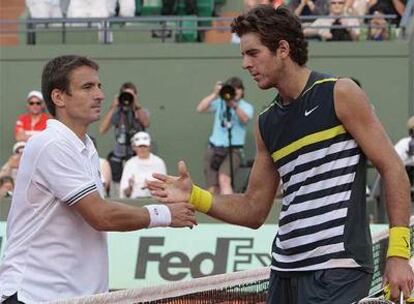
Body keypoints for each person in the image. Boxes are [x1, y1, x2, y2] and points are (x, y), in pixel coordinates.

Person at [147, 5, 414, 303]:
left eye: (253, 53)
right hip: (284, 273)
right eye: (243, 55)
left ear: (283, 49)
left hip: (338, 270)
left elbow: (393, 168)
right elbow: (253, 209)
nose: (246, 64)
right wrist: (195, 195)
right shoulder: (267, 122)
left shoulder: (340, 93)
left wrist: (399, 253)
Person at [0, 55, 196, 304]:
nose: (100, 95)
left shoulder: (85, 147)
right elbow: (100, 215)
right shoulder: (51, 143)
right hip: (34, 296)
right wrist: (165, 214)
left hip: (75, 297)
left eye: (99, 86)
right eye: (87, 87)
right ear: (59, 97)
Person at [196, 77, 254, 195]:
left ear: (242, 91)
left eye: (239, 88)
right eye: (233, 88)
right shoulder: (220, 103)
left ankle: (230, 209)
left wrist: (233, 104)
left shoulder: (246, 106)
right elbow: (200, 108)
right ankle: (215, 212)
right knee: (212, 187)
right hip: (214, 148)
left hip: (234, 150)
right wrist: (215, 94)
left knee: (224, 179)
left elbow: (244, 119)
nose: (236, 91)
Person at [99, 82, 150, 198]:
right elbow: (102, 129)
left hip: (136, 156)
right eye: (125, 94)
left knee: (135, 186)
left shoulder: (140, 111)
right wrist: (113, 106)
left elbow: (146, 122)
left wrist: (136, 105)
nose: (128, 98)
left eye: (131, 94)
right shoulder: (118, 113)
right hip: (119, 157)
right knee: (117, 191)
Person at [120, 131, 167, 199]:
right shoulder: (129, 164)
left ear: (149, 147)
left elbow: (163, 188)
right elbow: (125, 193)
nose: (142, 149)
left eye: (145, 146)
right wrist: (130, 187)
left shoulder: (159, 162)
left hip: (154, 202)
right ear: (134, 147)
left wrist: (151, 187)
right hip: (134, 203)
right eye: (139, 146)